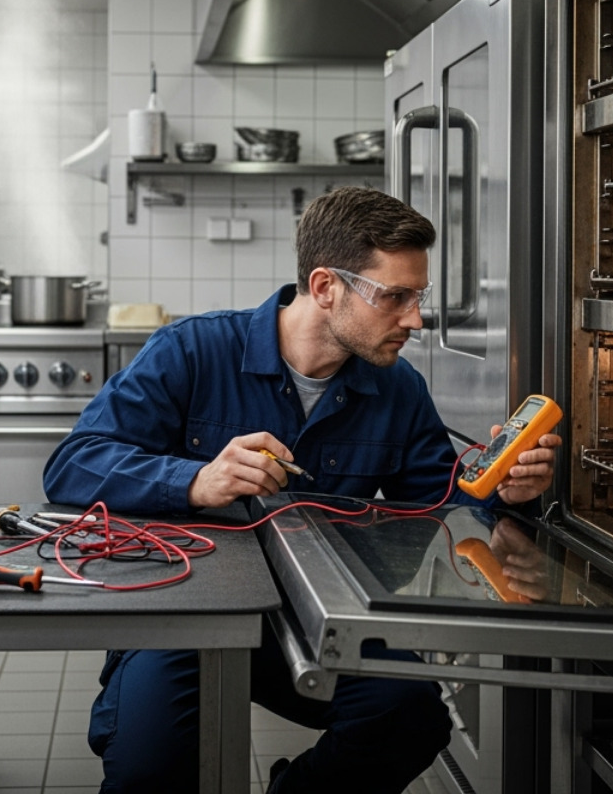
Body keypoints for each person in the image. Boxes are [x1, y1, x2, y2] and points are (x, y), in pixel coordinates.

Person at [42, 186, 560, 793]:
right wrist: (196, 479)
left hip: (322, 621)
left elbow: (440, 510)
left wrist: (506, 493)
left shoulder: (398, 389)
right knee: (150, 772)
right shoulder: (192, 350)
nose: (415, 319)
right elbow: (73, 465)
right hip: (184, 616)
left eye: (417, 296)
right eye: (395, 296)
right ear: (324, 287)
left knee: (409, 719)